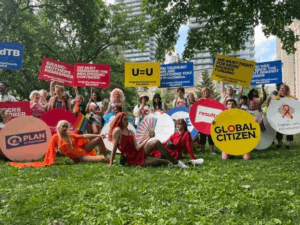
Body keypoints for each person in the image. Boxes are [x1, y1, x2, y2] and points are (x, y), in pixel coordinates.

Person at [9, 120, 111, 168]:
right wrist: (52, 157)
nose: (65, 128)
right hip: (79, 157)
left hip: (83, 149)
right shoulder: (55, 138)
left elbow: (85, 136)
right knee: (101, 160)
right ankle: (107, 158)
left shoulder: (70, 136)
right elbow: (50, 150)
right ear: (58, 127)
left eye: (66, 126)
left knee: (98, 138)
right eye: (63, 126)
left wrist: (100, 135)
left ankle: (107, 156)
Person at [108, 112, 188, 168]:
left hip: (139, 152)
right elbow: (114, 147)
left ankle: (175, 162)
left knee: (155, 141)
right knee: (160, 161)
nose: (127, 121)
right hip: (130, 159)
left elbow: (137, 147)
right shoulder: (117, 131)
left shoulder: (131, 131)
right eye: (124, 120)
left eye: (127, 119)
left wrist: (149, 138)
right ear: (119, 120)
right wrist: (111, 162)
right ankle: (180, 163)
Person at [273, 84, 294, 149]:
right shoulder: (276, 97)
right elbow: (273, 106)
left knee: (289, 129)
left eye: (284, 88)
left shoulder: (291, 97)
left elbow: (294, 106)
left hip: (288, 116)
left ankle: (288, 144)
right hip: (280, 116)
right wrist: (276, 101)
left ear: (287, 89)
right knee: (279, 130)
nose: (282, 89)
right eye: (281, 88)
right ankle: (280, 142)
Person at [198, 87, 216, 154]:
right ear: (202, 93)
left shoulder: (213, 100)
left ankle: (212, 150)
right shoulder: (199, 100)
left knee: (211, 135)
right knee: (202, 135)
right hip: (202, 120)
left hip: (211, 120)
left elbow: (216, 108)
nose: (205, 92)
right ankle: (202, 150)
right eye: (204, 91)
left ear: (209, 92)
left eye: (207, 91)